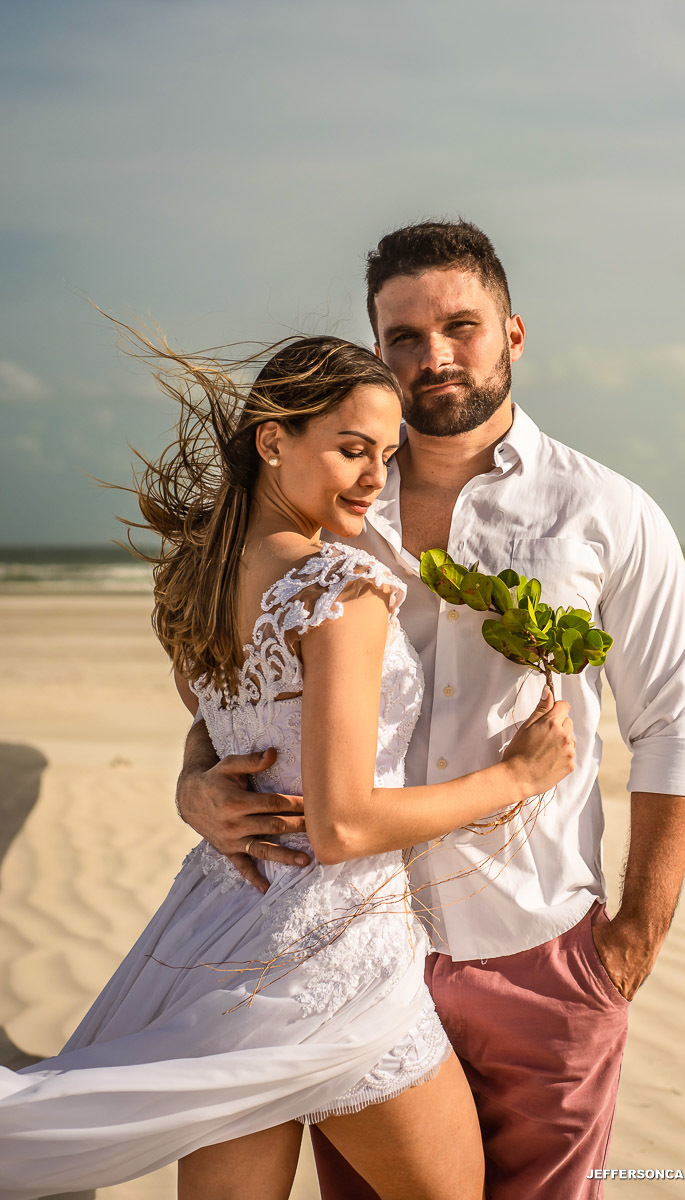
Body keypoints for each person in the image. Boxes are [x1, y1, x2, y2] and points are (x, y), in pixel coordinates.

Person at [177, 221, 685, 1200]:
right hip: (352, 955)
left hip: (540, 953)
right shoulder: (333, 503)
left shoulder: (604, 511)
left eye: (459, 327)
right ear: (376, 348)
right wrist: (194, 786)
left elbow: (675, 729)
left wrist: (632, 940)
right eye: (404, 337)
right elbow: (247, 686)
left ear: (512, 333)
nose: (434, 357)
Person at [0, 333, 578, 1200]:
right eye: (351, 449)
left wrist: (195, 785)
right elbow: (341, 826)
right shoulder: (337, 585)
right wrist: (517, 778)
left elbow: (221, 729)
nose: (373, 477)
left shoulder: (198, 579)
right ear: (273, 439)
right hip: (334, 958)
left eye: (385, 455)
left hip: (219, 938)